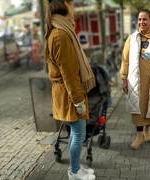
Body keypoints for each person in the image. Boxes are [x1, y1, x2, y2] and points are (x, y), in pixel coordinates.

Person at [44, 0, 96, 179]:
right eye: (71, 4)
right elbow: (69, 74)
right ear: (64, 6)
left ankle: (76, 167)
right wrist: (78, 100)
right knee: (79, 133)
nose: (74, 8)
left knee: (77, 133)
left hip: (67, 92)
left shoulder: (61, 30)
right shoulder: (60, 34)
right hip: (70, 94)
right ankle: (74, 172)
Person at [120, 8, 150, 150]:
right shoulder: (132, 38)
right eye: (140, 19)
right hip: (136, 79)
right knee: (138, 107)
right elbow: (125, 60)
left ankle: (147, 130)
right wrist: (124, 78)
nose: (142, 22)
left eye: (145, 19)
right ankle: (139, 135)